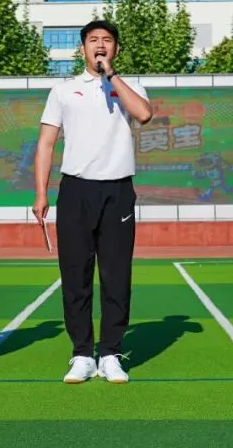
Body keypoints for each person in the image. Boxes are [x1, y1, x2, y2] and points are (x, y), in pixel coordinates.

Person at [32, 20, 153, 384]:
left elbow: (144, 115)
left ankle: (111, 353)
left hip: (118, 191)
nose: (100, 45)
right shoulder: (63, 91)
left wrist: (111, 76)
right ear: (82, 48)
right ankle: (82, 354)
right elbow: (46, 144)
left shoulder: (130, 87)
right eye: (93, 40)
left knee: (116, 276)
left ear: (116, 48)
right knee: (76, 275)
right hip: (76, 191)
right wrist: (41, 192)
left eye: (108, 40)